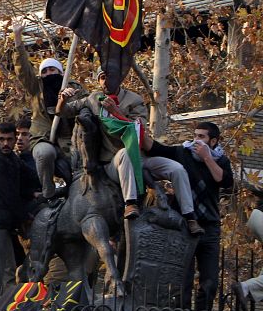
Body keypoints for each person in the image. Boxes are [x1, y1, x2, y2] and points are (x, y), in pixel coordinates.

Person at [59, 67, 201, 233]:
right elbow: (63, 112)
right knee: (125, 153)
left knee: (177, 169)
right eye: (102, 77)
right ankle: (130, 203)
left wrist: (116, 112)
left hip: (139, 157)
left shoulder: (134, 100)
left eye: (110, 77)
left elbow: (138, 129)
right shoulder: (93, 98)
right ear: (98, 80)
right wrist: (62, 99)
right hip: (113, 161)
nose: (106, 81)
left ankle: (190, 217)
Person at [141, 122, 233, 311]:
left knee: (210, 282)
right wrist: (136, 127)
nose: (196, 141)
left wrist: (207, 157)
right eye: (195, 136)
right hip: (184, 226)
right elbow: (154, 148)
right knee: (183, 280)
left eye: (202, 137)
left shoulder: (221, 161)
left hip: (209, 227)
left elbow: (224, 181)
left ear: (213, 141)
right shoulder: (182, 153)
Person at [12, 21, 81, 200]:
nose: (49, 74)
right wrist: (18, 39)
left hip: (69, 138)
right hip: (43, 136)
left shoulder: (73, 86)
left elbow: (84, 106)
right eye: (45, 71)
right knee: (44, 154)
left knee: (78, 162)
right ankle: (48, 194)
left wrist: (70, 97)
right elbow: (22, 70)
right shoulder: (36, 87)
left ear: (60, 72)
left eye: (52, 70)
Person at [0, 122, 38, 311]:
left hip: (4, 223)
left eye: (9, 139)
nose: (5, 143)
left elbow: (29, 177)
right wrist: (25, 218)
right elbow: (9, 194)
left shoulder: (12, 158)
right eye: (1, 139)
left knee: (8, 270)